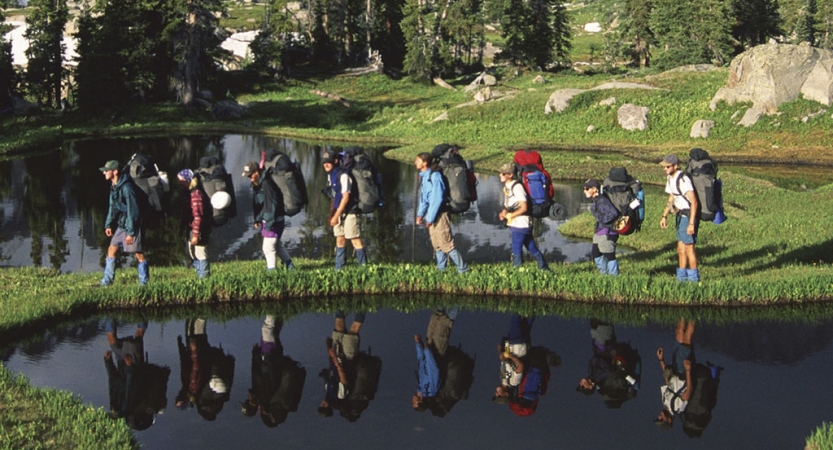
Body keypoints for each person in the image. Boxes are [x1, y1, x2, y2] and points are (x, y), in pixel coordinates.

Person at [242, 315, 306, 427]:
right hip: (269, 358)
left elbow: (255, 372)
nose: (248, 399)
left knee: (274, 333)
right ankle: (273, 310)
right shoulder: (264, 396)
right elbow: (265, 375)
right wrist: (261, 357)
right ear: (255, 407)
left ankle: (281, 310)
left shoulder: (262, 395)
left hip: (273, 358)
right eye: (249, 402)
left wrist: (255, 354)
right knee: (267, 330)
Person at [319, 311, 380, 421]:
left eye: (321, 406)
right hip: (348, 359)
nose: (322, 404)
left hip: (336, 356)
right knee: (352, 332)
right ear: (330, 408)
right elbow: (343, 378)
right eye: (324, 407)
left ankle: (341, 307)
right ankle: (363, 307)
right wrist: (334, 358)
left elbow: (330, 369)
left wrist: (329, 349)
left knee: (338, 328)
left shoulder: (327, 390)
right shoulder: (339, 397)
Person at [414, 152, 468, 273]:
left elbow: (437, 198)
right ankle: (441, 270)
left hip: (441, 214)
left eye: (417, 160)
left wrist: (430, 218)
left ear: (425, 162)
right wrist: (420, 214)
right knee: (437, 245)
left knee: (447, 244)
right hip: (431, 215)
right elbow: (424, 198)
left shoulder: (435, 176)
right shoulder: (425, 177)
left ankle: (464, 270)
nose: (415, 162)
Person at [100, 160, 149, 286]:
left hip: (133, 223)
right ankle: (107, 282)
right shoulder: (114, 186)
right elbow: (112, 207)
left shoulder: (127, 188)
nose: (104, 172)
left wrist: (131, 233)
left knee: (138, 253)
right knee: (111, 249)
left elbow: (134, 211)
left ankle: (144, 283)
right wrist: (108, 224)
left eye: (107, 170)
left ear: (115, 172)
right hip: (122, 223)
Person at [242, 162, 295, 271]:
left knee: (268, 248)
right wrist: (257, 219)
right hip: (271, 220)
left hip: (274, 221)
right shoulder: (258, 185)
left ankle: (271, 273)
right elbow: (260, 204)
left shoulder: (266, 184)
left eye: (250, 175)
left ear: (257, 172)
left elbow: (271, 205)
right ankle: (290, 267)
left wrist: (269, 224)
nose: (249, 178)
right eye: (248, 176)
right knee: (277, 245)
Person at [497, 164, 550, 271]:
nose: (500, 175)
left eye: (503, 173)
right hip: (516, 223)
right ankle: (545, 268)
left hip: (521, 224)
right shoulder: (507, 187)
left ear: (510, 175)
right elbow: (509, 204)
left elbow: (524, 207)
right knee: (531, 247)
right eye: (500, 173)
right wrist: (504, 213)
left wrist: (511, 215)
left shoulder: (517, 187)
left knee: (516, 249)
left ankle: (517, 272)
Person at [322, 150, 367, 270]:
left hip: (350, 211)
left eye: (328, 162)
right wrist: (331, 214)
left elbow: (346, 197)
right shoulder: (331, 175)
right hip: (338, 211)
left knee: (354, 239)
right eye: (324, 162)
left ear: (335, 161)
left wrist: (336, 216)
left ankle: (364, 268)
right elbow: (333, 195)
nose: (325, 164)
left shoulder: (344, 175)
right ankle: (339, 268)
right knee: (339, 238)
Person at [659, 154, 700, 282]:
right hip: (679, 216)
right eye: (664, 167)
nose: (665, 169)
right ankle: (681, 278)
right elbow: (672, 197)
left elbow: (694, 202)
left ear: (675, 166)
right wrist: (664, 216)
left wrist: (691, 223)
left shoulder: (683, 180)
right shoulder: (670, 178)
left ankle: (694, 279)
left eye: (667, 166)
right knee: (680, 249)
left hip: (688, 217)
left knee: (689, 249)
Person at [655, 318, 695, 428]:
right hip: (682, 372)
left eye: (658, 418)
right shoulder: (677, 408)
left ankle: (683, 311)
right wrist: (688, 370)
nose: (659, 416)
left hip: (674, 368)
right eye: (661, 419)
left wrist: (661, 360)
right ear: (668, 421)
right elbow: (688, 393)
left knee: (679, 332)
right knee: (687, 339)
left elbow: (667, 380)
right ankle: (694, 314)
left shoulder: (664, 401)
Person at [177, 169, 211, 279]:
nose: (179, 183)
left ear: (188, 180)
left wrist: (196, 234)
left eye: (181, 180)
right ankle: (201, 275)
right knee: (192, 254)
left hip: (200, 230)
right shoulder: (189, 193)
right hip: (192, 229)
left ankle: (204, 279)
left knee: (201, 254)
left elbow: (198, 216)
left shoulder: (196, 194)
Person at [583, 178, 620, 275]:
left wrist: (599, 217)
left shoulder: (602, 200)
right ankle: (605, 275)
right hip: (600, 231)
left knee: (609, 255)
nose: (584, 191)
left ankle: (615, 279)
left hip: (607, 232)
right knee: (596, 253)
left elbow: (613, 213)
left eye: (587, 189)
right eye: (584, 189)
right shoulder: (597, 200)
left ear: (595, 189)